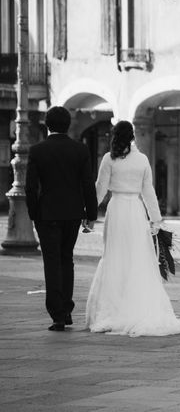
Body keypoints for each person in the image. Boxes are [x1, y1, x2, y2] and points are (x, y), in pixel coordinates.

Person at [86, 121, 180, 336]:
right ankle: (138, 305)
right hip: (135, 210)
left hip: (117, 210)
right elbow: (148, 191)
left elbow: (100, 189)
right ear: (132, 137)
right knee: (137, 257)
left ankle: (114, 306)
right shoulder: (142, 159)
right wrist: (156, 219)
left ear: (114, 136)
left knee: (114, 254)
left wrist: (88, 214)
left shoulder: (109, 159)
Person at [25, 106, 98, 332]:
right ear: (68, 125)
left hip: (47, 214)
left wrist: (34, 213)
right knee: (67, 259)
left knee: (52, 262)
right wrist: (91, 214)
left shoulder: (37, 151)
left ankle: (57, 315)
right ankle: (66, 309)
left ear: (47, 125)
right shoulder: (80, 150)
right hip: (73, 213)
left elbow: (30, 187)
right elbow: (87, 184)